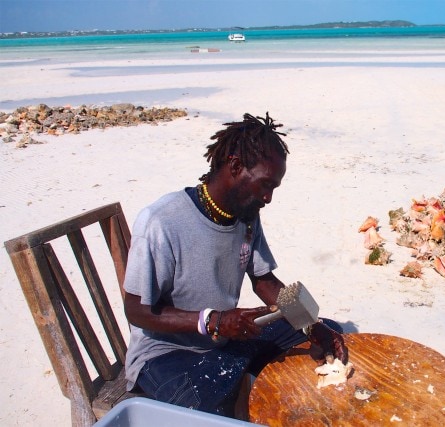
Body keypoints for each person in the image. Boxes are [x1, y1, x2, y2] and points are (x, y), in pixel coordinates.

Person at [123, 112, 347, 418]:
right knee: (206, 402)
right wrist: (213, 321)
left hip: (226, 339)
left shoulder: (246, 215)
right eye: (264, 185)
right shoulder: (161, 221)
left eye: (274, 189)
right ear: (236, 166)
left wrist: (311, 325)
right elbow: (137, 310)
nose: (267, 198)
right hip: (167, 354)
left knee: (328, 333)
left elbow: (264, 281)